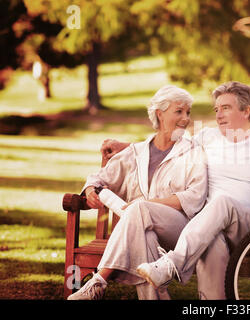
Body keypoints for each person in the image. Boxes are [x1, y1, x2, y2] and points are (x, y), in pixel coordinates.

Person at [103, 81, 250, 299]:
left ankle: (172, 265)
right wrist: (125, 147)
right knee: (211, 239)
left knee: (222, 202)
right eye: (217, 109)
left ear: (246, 111)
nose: (219, 114)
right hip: (212, 229)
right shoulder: (207, 138)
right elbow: (167, 143)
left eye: (226, 108)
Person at [67, 85, 208, 300]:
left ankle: (99, 280)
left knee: (141, 207)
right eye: (179, 111)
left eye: (188, 112)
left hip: (180, 232)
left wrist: (151, 204)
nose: (185, 118)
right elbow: (99, 177)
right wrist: (89, 189)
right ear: (160, 113)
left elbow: (194, 196)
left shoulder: (193, 151)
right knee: (146, 238)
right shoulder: (136, 153)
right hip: (142, 230)